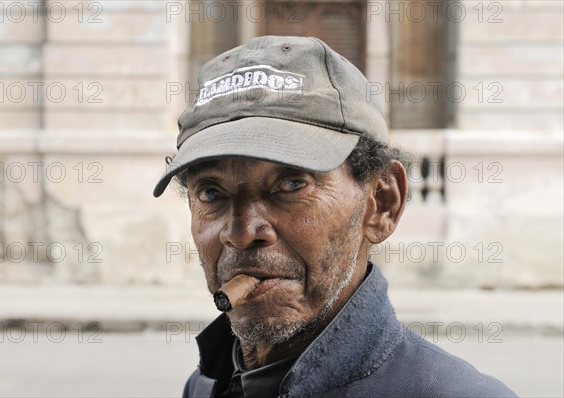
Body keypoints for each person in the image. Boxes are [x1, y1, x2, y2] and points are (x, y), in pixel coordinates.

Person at [153, 36, 517, 398]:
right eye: (211, 193)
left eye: (292, 184)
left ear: (381, 203)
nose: (242, 232)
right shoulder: (205, 385)